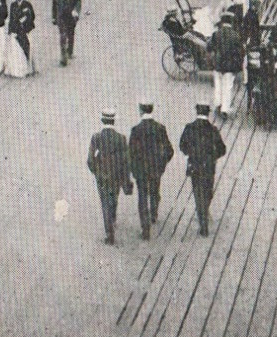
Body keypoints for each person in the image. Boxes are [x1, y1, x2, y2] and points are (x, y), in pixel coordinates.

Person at [86, 109, 134, 245]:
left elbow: (90, 160)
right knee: (113, 198)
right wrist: (125, 178)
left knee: (104, 202)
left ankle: (109, 233)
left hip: (102, 177)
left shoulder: (96, 137)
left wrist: (97, 172)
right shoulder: (121, 138)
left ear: (102, 120)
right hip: (116, 175)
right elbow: (126, 161)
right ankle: (112, 218)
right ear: (114, 121)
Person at [179, 103, 227, 236]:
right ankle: (204, 219)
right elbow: (222, 149)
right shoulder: (213, 130)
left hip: (194, 166)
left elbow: (182, 145)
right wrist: (213, 157)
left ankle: (202, 216)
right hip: (209, 167)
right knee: (208, 191)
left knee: (198, 192)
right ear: (208, 113)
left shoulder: (189, 128)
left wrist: (191, 153)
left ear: (197, 112)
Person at [128, 102, 174, 240]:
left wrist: (134, 169)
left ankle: (145, 229)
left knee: (142, 197)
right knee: (155, 191)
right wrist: (162, 165)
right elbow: (169, 150)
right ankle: (154, 214)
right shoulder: (160, 128)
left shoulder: (136, 130)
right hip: (155, 169)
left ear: (141, 111)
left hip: (141, 171)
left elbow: (131, 153)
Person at [209, 17, 245, 120]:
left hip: (218, 65)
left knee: (218, 86)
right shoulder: (235, 36)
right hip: (229, 67)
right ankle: (225, 109)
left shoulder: (217, 34)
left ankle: (218, 104)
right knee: (227, 87)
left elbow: (210, 46)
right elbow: (240, 52)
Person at [52, 0, 83, 66]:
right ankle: (63, 58)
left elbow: (78, 1)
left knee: (71, 34)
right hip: (61, 16)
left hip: (71, 16)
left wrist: (76, 11)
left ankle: (70, 51)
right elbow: (54, 4)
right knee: (62, 35)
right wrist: (54, 16)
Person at [6, 0, 36, 77]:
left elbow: (32, 16)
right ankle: (17, 69)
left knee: (27, 47)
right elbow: (11, 18)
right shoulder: (13, 5)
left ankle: (30, 67)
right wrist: (10, 30)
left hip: (26, 29)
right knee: (16, 49)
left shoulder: (27, 4)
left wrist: (25, 21)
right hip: (17, 30)